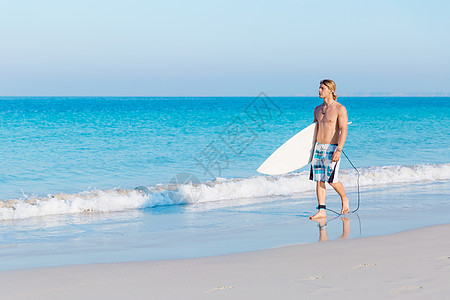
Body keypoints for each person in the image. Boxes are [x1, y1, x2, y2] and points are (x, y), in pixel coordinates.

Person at [309, 79, 349, 219]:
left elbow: (344, 130)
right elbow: (312, 131)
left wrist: (339, 149)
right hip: (318, 147)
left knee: (332, 180)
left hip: (333, 147)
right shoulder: (317, 110)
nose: (319, 90)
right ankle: (322, 210)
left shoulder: (340, 109)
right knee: (319, 179)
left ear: (331, 90)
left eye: (322, 88)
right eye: (319, 88)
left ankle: (344, 198)